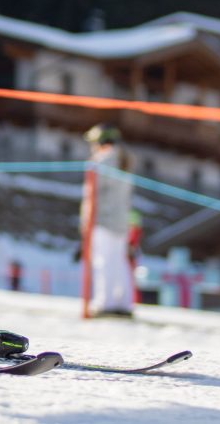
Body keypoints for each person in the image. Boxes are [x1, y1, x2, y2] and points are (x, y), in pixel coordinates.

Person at [81, 123, 135, 317]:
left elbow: (92, 196)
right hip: (121, 221)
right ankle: (124, 303)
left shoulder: (100, 162)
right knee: (119, 262)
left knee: (103, 262)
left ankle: (104, 303)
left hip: (102, 219)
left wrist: (85, 222)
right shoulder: (124, 161)